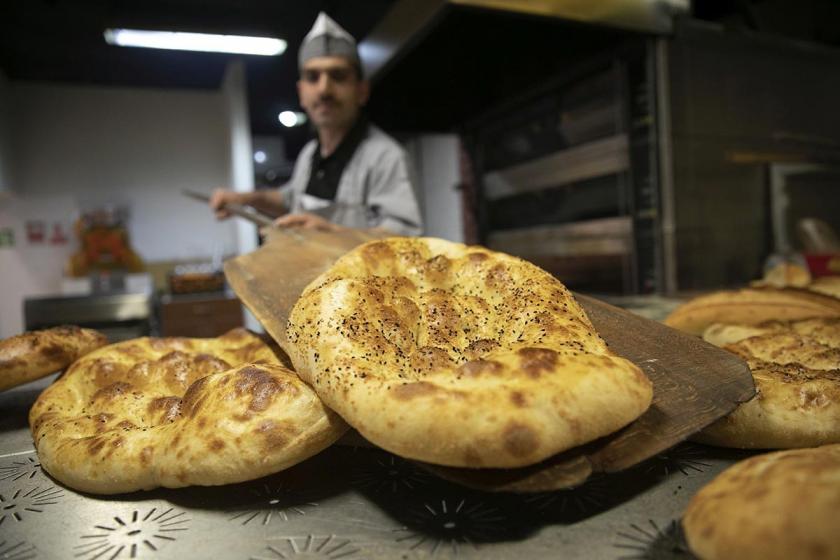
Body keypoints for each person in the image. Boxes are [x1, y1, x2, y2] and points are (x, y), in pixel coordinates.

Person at [211, 12, 423, 236]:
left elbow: (406, 238)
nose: (324, 90)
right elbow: (289, 198)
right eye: (313, 77)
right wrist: (244, 199)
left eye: (338, 76)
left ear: (362, 91)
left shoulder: (386, 158)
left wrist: (332, 232)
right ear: (301, 93)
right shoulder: (309, 154)